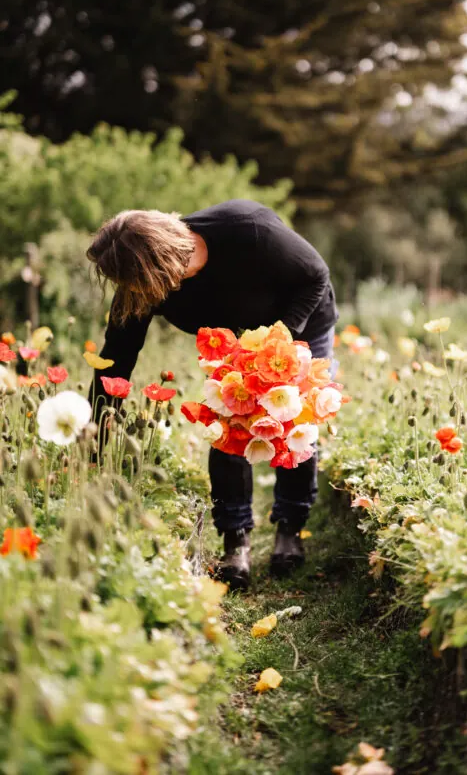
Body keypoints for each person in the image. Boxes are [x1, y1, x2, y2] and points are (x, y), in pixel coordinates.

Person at [86, 199, 338, 589]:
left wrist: (279, 339)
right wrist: (94, 437)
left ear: (163, 263)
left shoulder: (249, 231)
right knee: (229, 424)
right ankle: (235, 538)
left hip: (299, 321)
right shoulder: (144, 281)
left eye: (141, 284)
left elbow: (315, 275)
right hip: (235, 341)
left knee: (293, 421)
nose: (137, 292)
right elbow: (117, 357)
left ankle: (290, 527)